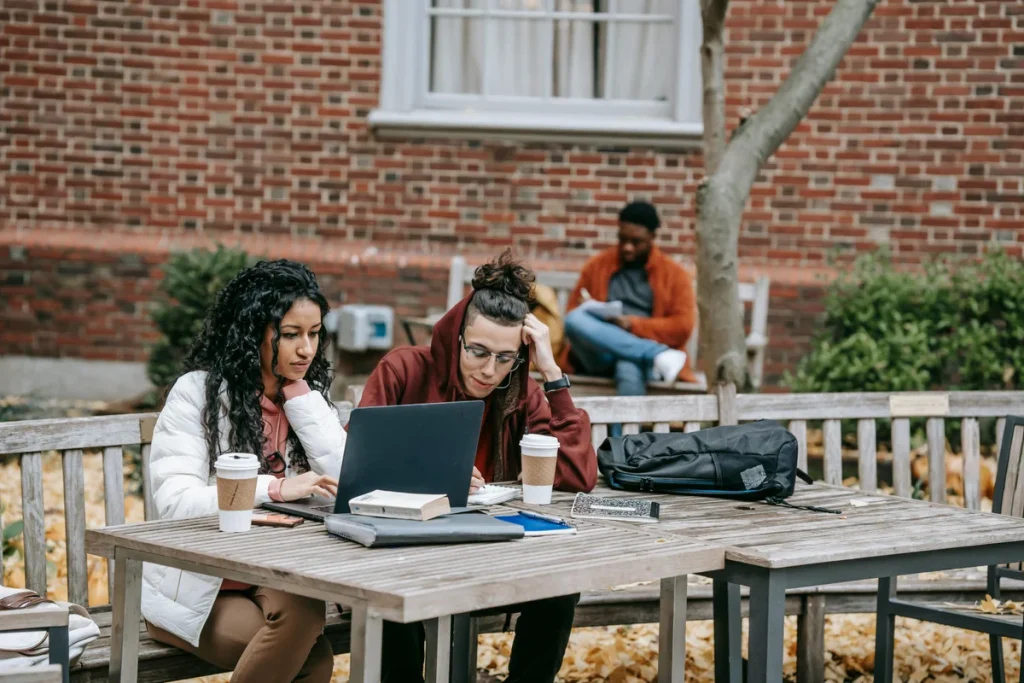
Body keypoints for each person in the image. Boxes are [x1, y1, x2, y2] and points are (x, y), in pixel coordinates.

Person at [359, 249, 597, 683]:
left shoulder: (520, 392)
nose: (490, 371)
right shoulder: (404, 370)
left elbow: (577, 477)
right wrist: (430, 477)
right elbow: (358, 470)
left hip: (495, 556)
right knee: (394, 591)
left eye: (505, 358)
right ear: (457, 337)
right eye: (479, 352)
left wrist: (550, 371)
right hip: (410, 555)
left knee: (560, 587)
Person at [142, 260, 346, 683]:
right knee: (313, 660)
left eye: (314, 334)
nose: (307, 349)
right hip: (200, 586)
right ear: (254, 333)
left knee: (307, 616)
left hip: (271, 573)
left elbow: (347, 478)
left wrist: (304, 403)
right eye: (290, 335)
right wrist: (276, 487)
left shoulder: (308, 400)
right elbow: (177, 501)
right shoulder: (197, 394)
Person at [558, 200, 697, 398]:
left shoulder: (674, 275)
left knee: (628, 365)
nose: (627, 247)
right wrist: (593, 311)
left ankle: (626, 430)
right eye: (622, 239)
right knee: (574, 319)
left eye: (636, 241)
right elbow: (574, 314)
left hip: (643, 366)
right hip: (599, 354)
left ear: (652, 237)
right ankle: (657, 353)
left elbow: (682, 327)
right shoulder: (597, 265)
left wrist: (630, 325)